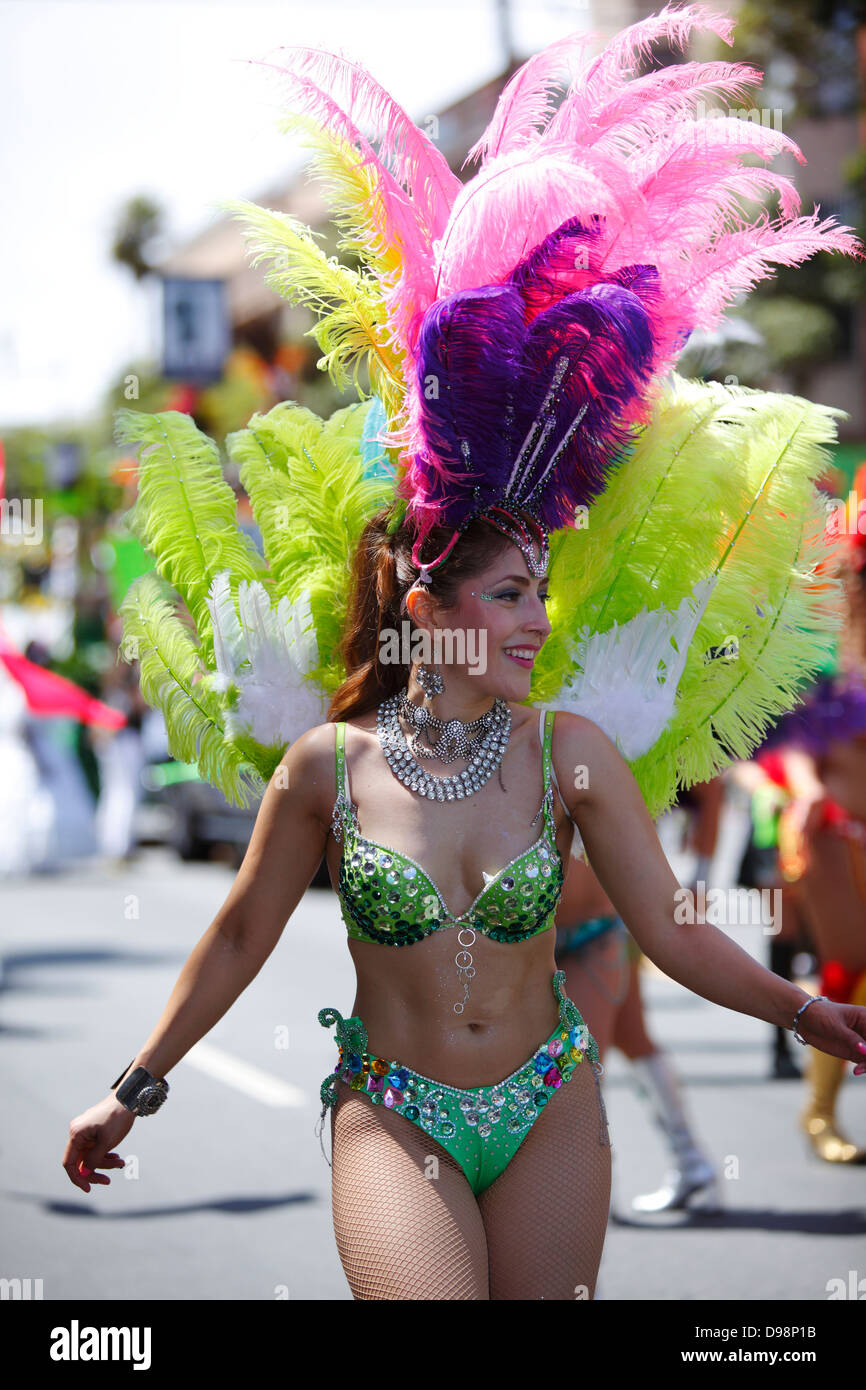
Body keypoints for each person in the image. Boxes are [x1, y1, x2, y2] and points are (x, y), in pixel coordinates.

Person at [61, 7, 866, 1300]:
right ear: (426, 604)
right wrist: (131, 1090)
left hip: (548, 1096)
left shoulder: (571, 752)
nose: (537, 620)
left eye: (540, 591)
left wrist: (797, 1007)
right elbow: (237, 934)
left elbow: (668, 925)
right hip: (394, 1111)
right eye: (506, 596)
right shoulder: (325, 766)